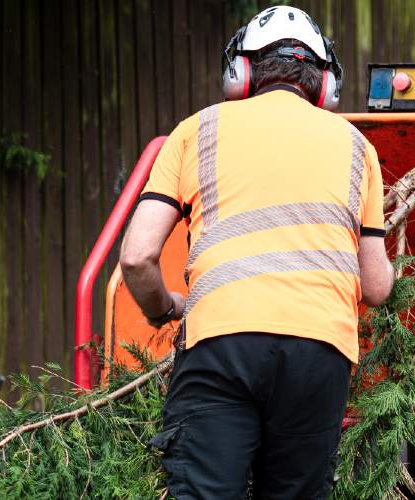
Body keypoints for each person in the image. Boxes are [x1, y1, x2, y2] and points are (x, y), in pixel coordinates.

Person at [118, 6, 392, 499]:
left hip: (222, 345)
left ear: (240, 71)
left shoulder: (196, 130)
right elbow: (375, 287)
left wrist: (164, 309)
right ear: (325, 82)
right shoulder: (357, 147)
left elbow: (137, 257)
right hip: (319, 353)